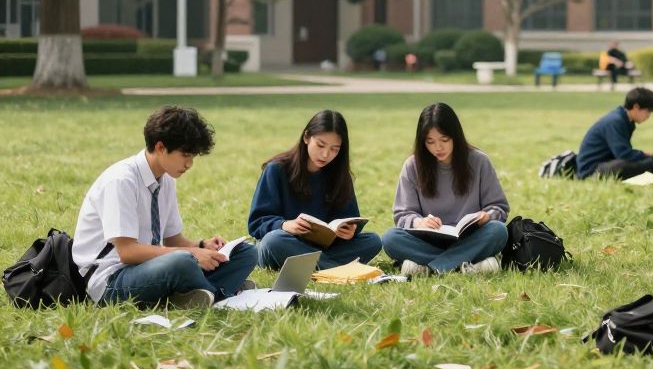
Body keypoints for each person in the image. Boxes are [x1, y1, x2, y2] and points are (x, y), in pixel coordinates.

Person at [72, 106, 257, 308]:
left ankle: (203, 293)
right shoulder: (121, 180)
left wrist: (202, 246)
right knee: (183, 262)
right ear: (160, 147)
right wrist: (192, 254)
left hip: (149, 269)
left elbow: (173, 240)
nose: (189, 164)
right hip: (112, 280)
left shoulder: (166, 180)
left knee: (246, 252)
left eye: (193, 157)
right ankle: (224, 293)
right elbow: (127, 252)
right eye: (185, 155)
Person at [382, 102, 509, 276]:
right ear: (422, 141)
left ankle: (429, 268)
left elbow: (499, 208)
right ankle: (467, 267)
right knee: (390, 238)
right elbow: (402, 215)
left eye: (444, 140)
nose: (438, 147)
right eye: (430, 141)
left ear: (455, 136)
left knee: (498, 231)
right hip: (428, 240)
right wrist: (419, 222)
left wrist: (486, 216)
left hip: (470, 238)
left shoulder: (479, 161)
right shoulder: (413, 165)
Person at [248, 109, 382, 270]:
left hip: (320, 248)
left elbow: (350, 218)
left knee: (373, 240)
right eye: (320, 145)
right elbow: (257, 223)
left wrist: (349, 231)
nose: (325, 154)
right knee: (273, 240)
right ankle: (334, 270)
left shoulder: (339, 175)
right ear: (306, 137)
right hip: (283, 243)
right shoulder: (276, 169)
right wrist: (284, 225)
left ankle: (316, 266)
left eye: (335, 149)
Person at [576, 87, 653, 180]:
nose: (648, 116)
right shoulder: (615, 121)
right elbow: (624, 154)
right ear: (636, 107)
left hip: (604, 163)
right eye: (648, 111)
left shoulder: (626, 120)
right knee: (649, 164)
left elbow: (625, 153)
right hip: (590, 171)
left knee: (650, 163)